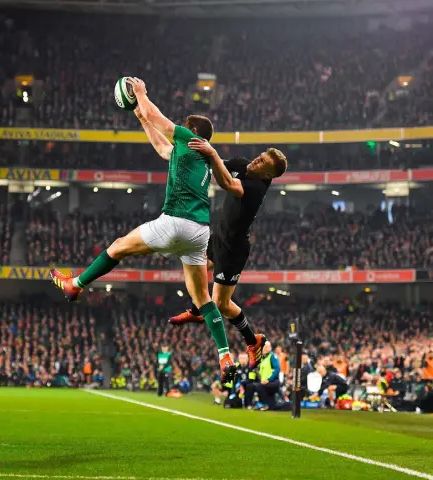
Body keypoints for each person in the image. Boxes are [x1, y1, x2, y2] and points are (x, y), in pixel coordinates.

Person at [50, 77, 236, 385]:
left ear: (193, 131)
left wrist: (141, 95)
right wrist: (140, 117)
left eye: (185, 126)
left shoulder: (189, 139)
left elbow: (160, 121)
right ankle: (225, 354)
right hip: (199, 232)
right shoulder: (198, 158)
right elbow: (163, 148)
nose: (180, 127)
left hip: (175, 222)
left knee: (118, 247)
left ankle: (76, 284)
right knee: (203, 298)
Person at [168, 139, 287, 370]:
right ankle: (196, 310)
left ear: (267, 175)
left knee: (222, 304)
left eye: (262, 161)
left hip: (233, 250)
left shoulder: (256, 188)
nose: (257, 159)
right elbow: (217, 166)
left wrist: (211, 153)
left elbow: (227, 183)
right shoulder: (244, 165)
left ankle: (254, 341)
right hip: (219, 236)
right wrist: (195, 155)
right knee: (197, 270)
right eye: (260, 154)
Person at [245, 341, 281, 411]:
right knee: (250, 386)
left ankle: (264, 404)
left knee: (258, 386)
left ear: (270, 348)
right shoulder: (261, 358)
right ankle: (249, 404)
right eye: (263, 347)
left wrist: (269, 380)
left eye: (266, 347)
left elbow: (277, 369)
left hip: (272, 381)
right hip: (264, 381)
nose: (264, 349)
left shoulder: (272, 356)